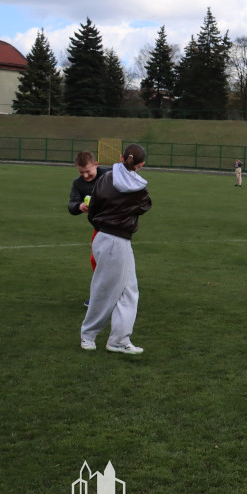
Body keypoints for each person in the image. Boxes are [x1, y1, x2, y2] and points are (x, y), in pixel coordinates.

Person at [80, 144, 152, 354]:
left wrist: (100, 225)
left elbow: (93, 208)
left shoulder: (105, 177)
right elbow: (145, 206)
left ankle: (119, 339)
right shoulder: (139, 187)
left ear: (121, 157)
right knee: (105, 290)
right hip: (116, 240)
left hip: (107, 236)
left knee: (129, 291)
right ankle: (88, 335)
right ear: (142, 165)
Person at [69, 152, 112, 306]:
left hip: (116, 226)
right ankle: (104, 294)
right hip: (99, 227)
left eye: (88, 171)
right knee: (96, 260)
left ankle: (110, 294)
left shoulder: (109, 174)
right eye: (81, 172)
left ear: (96, 164)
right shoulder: (78, 184)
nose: (85, 175)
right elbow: (71, 204)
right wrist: (79, 206)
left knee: (109, 261)